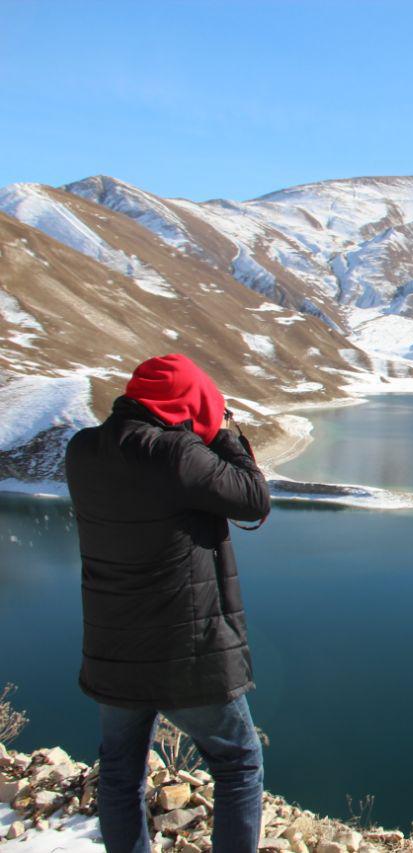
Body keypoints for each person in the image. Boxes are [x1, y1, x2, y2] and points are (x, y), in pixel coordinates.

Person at [64, 353, 271, 853]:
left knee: (118, 772)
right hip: (188, 651)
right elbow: (253, 497)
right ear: (187, 404)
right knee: (239, 763)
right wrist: (223, 432)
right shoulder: (176, 454)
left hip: (113, 648)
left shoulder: (83, 449)